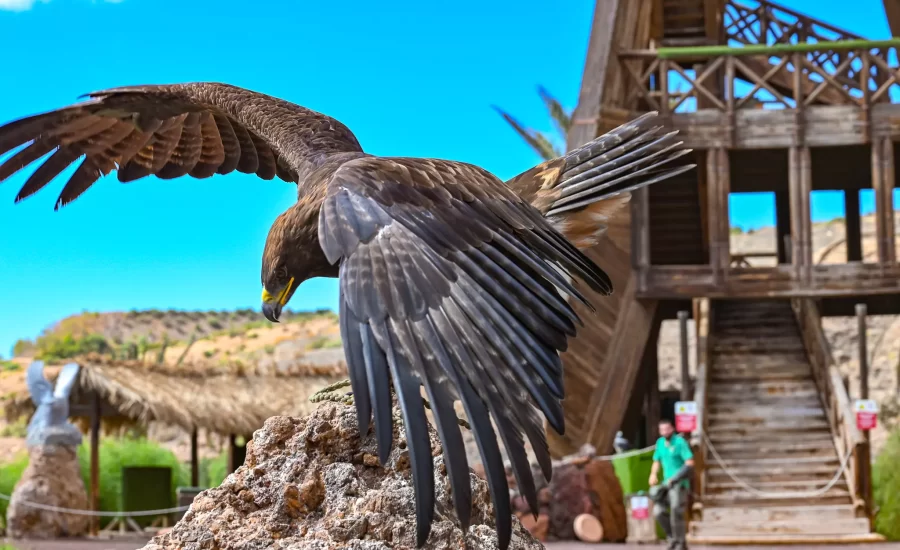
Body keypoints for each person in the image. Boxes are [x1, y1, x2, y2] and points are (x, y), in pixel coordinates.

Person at [649, 418, 694, 550]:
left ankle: (680, 542)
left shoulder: (680, 442)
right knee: (658, 511)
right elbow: (656, 460)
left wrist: (675, 478)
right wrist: (653, 474)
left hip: (679, 483)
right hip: (665, 484)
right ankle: (672, 538)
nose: (664, 432)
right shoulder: (660, 443)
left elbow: (690, 463)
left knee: (676, 509)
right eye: (662, 430)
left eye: (667, 429)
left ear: (672, 429)